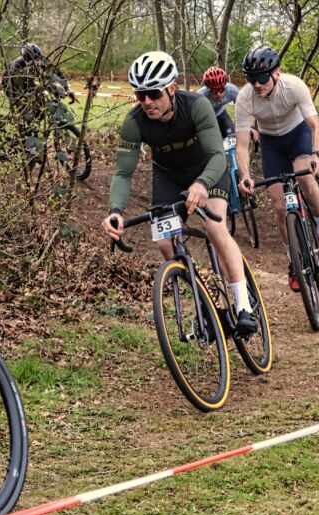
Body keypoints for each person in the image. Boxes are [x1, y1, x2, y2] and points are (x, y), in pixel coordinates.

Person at [101, 51, 256, 334]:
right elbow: (123, 173)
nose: (147, 101)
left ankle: (244, 306)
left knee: (214, 227)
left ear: (172, 88)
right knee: (164, 243)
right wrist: (116, 211)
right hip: (168, 176)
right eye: (140, 95)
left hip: (208, 168)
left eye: (154, 93)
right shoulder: (134, 122)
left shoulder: (197, 105)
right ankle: (206, 301)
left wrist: (201, 184)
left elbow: (217, 156)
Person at [233, 46, 319, 292]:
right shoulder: (245, 98)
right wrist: (245, 175)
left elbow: (315, 126)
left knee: (307, 180)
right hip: (271, 144)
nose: (256, 85)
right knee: (280, 207)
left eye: (261, 78)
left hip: (298, 135)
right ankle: (294, 262)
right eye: (251, 79)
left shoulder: (294, 86)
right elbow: (242, 145)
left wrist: (317, 155)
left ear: (276, 73)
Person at [1, 42, 76, 152]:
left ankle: (33, 135)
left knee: (42, 105)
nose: (36, 63)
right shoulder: (17, 65)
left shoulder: (42, 60)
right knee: (25, 112)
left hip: (28, 84)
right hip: (13, 88)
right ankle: (25, 141)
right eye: (33, 61)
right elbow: (19, 89)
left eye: (38, 60)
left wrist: (67, 89)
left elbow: (55, 73)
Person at [197, 66, 239, 138]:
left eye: (221, 89)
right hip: (206, 118)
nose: (219, 94)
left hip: (221, 113)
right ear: (208, 89)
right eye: (214, 91)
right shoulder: (200, 96)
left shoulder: (233, 91)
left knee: (232, 136)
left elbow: (243, 111)